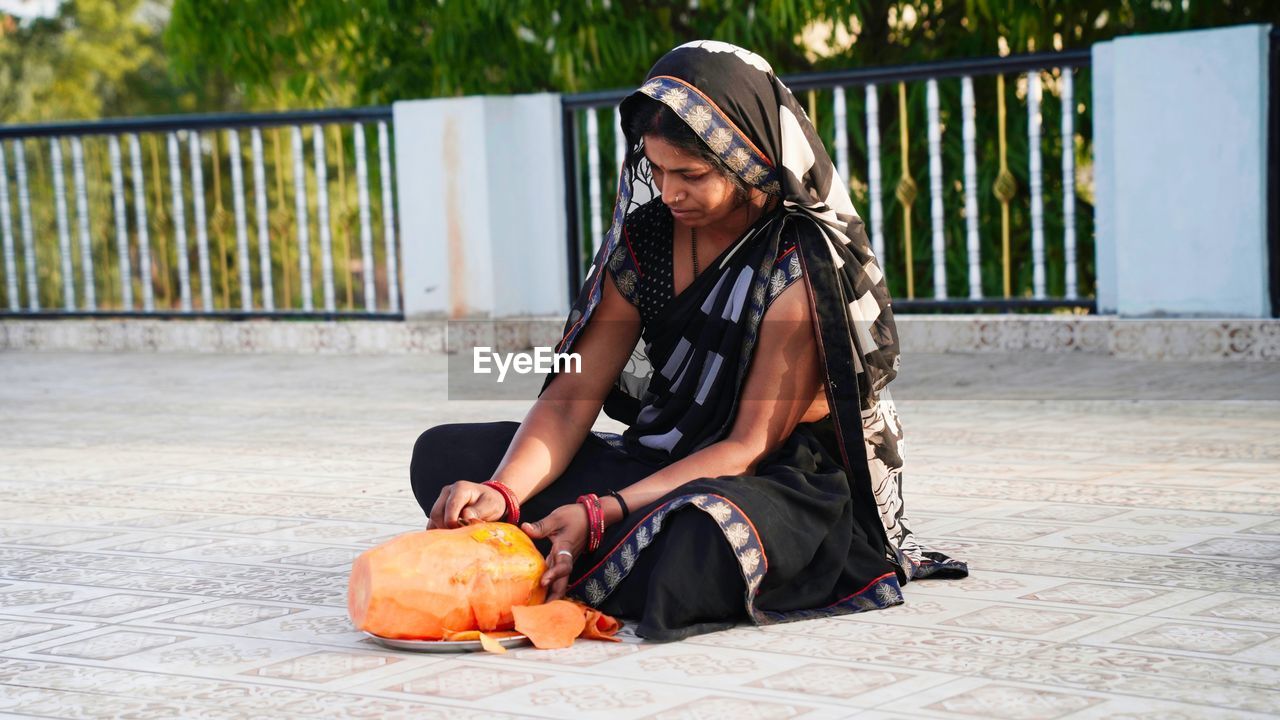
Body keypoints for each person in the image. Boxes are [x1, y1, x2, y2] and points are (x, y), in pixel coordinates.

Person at [410, 40, 966, 642]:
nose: (670, 193)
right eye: (658, 170)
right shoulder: (648, 238)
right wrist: (502, 491)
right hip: (663, 462)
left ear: (747, 158)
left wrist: (602, 512)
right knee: (444, 459)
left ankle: (566, 548)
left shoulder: (798, 262)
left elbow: (745, 446)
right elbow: (572, 392)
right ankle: (566, 543)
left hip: (771, 478)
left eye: (692, 175)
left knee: (700, 543)